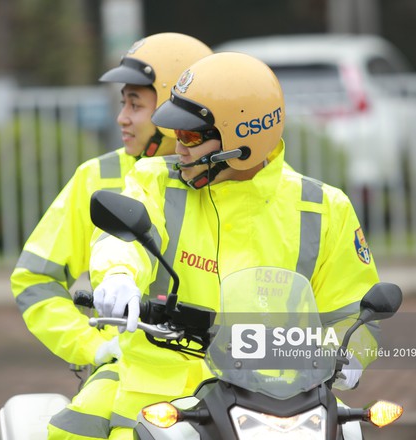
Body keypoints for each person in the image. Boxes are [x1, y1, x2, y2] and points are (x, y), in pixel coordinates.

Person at [89, 52, 380, 439]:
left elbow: (354, 312)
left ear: (244, 140)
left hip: (282, 404)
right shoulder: (156, 182)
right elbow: (123, 241)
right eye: (177, 134)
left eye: (191, 136)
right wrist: (119, 274)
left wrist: (351, 355)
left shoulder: (324, 208)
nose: (179, 148)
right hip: (159, 400)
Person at [9, 33, 213, 439]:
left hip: (231, 372)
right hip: (128, 373)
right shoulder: (96, 177)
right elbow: (34, 279)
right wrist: (92, 347)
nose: (122, 117)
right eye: (124, 102)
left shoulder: (230, 183)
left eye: (135, 104)